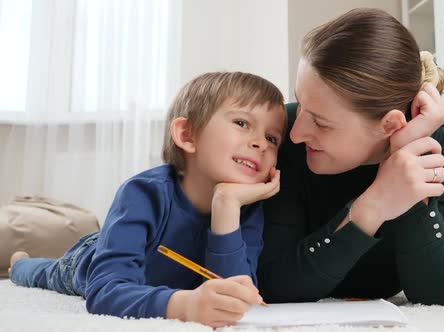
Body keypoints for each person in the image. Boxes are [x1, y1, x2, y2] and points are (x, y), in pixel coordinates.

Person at [9, 72, 287, 328]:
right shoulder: (143, 193)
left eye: (272, 138)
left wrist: (225, 206)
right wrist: (185, 306)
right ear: (187, 135)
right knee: (47, 274)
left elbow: (232, 295)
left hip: (154, 274)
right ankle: (20, 262)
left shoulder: (243, 208)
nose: (261, 143)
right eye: (242, 123)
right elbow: (105, 290)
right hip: (88, 261)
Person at [257, 8, 444, 305]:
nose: (296, 133)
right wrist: (372, 207)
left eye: (321, 122)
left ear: (390, 125)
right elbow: (275, 284)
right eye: (300, 101)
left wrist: (407, 166)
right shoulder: (283, 130)